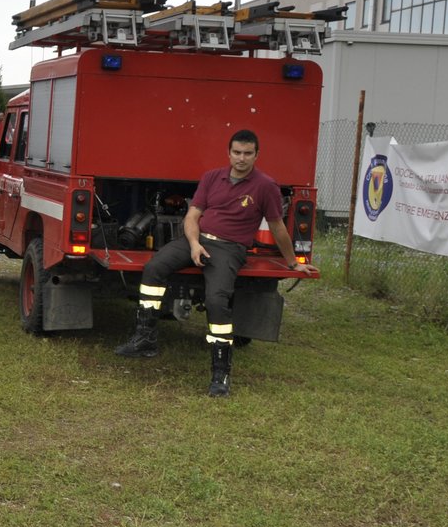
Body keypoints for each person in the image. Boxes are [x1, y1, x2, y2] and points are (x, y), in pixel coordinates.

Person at [114, 129, 311, 397]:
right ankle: (145, 338)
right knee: (153, 269)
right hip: (195, 240)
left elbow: (277, 227)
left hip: (229, 248)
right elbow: (192, 217)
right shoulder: (211, 177)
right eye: (237, 152)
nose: (241, 158)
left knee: (217, 300)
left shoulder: (266, 186)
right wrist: (194, 245)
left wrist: (293, 263)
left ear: (257, 155)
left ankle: (221, 375)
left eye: (247, 153)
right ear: (228, 153)